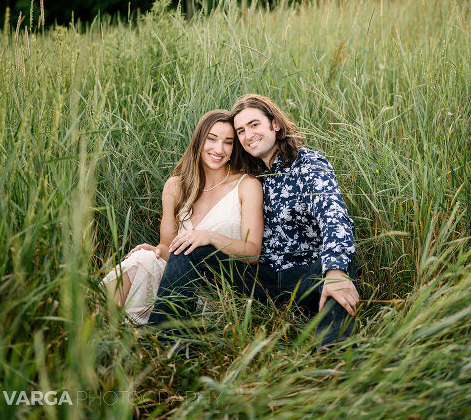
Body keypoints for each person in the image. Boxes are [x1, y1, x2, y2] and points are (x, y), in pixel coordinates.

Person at [149, 95, 358, 348]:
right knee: (188, 248)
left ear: (275, 124)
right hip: (259, 278)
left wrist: (335, 270)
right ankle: (162, 342)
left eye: (254, 125)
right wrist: (162, 248)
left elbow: (334, 218)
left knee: (339, 274)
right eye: (241, 131)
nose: (248, 135)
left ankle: (333, 349)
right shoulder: (251, 175)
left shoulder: (307, 164)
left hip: (306, 273)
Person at [102, 110, 264, 324]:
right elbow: (168, 249)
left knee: (173, 260)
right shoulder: (176, 187)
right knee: (142, 258)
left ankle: (150, 335)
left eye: (228, 142)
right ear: (199, 140)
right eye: (211, 139)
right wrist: (156, 251)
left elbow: (252, 252)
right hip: (176, 279)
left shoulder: (246, 185)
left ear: (234, 147)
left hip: (217, 286)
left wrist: (210, 237)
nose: (218, 149)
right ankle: (100, 327)